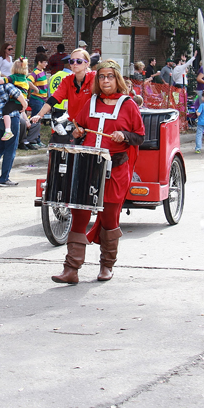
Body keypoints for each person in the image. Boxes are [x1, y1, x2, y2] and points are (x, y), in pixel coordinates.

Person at [51, 59, 144, 284]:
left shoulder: (128, 105)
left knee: (110, 217)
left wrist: (125, 136)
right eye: (101, 77)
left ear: (117, 79)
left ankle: (106, 266)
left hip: (115, 169)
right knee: (79, 215)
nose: (105, 81)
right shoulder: (91, 102)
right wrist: (78, 132)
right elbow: (81, 127)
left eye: (110, 76)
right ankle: (71, 269)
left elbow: (139, 136)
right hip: (88, 167)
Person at [30, 48, 96, 137]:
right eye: (72, 61)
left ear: (87, 64)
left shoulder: (94, 78)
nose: (75, 63)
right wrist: (39, 115)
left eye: (79, 61)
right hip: (74, 123)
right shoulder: (67, 80)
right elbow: (54, 98)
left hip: (91, 124)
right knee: (58, 139)